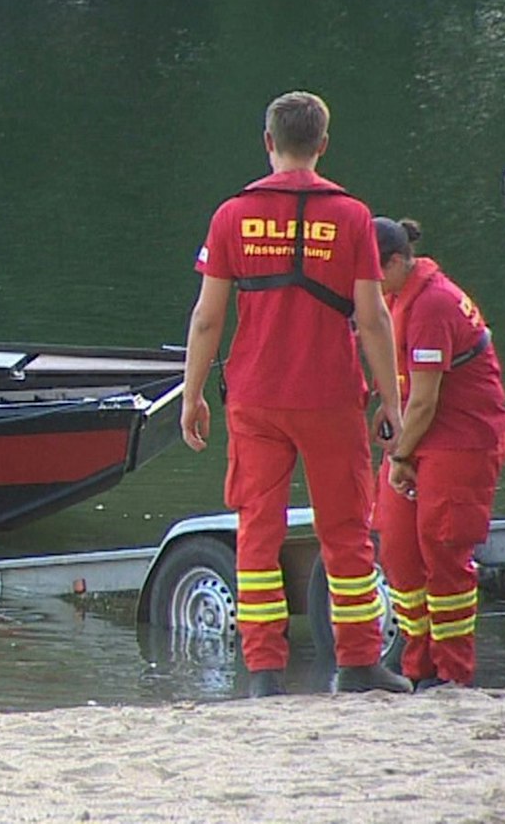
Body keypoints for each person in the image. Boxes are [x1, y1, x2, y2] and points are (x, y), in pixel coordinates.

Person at [179, 90, 408, 698]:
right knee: (346, 530)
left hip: (255, 398)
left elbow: (207, 318)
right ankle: (359, 663)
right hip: (331, 397)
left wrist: (192, 394)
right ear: (323, 145)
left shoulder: (232, 215)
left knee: (257, 534)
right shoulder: (353, 217)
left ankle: (263, 674)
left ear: (268, 142)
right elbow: (373, 318)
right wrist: (392, 401)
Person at [370, 217, 505, 688]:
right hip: (420, 433)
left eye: (371, 270)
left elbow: (427, 400)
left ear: (395, 262)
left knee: (444, 548)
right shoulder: (397, 296)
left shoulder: (432, 304)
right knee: (398, 549)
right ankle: (419, 665)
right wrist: (389, 413)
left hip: (461, 438)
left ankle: (452, 674)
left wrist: (399, 458)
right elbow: (406, 384)